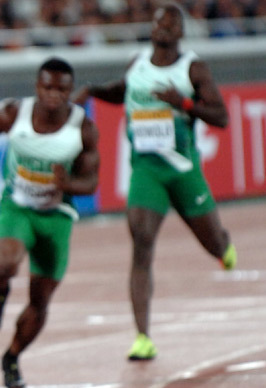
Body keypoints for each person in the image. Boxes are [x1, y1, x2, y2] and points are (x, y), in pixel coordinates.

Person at [72, 3, 237, 361]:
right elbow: (123, 90)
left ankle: (224, 247)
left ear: (180, 32)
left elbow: (221, 117)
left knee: (212, 242)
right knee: (142, 242)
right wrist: (93, 91)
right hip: (146, 170)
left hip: (182, 171)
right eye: (158, 21)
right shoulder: (138, 62)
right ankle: (143, 337)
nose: (162, 27)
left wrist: (185, 103)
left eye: (170, 23)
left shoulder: (192, 68)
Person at [0, 57, 99, 388]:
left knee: (40, 302)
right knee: (6, 263)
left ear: (69, 91)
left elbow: (91, 182)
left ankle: (12, 358)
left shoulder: (83, 128)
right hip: (17, 209)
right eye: (47, 87)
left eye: (61, 89)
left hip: (57, 219)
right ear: (38, 87)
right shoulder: (14, 113)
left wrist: (68, 185)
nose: (53, 95)